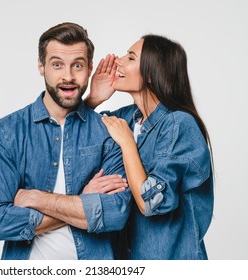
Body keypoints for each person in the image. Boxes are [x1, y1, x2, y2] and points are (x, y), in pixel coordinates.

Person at [0, 22, 132, 260]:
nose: (68, 76)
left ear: (90, 68)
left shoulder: (108, 132)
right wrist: (83, 202)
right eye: (57, 64)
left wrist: (35, 198)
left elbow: (115, 214)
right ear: (41, 66)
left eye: (78, 65)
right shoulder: (6, 132)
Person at [86, 34, 214, 259]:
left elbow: (151, 203)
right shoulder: (129, 118)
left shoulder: (178, 124)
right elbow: (77, 133)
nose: (119, 60)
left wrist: (127, 144)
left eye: (131, 58)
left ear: (152, 75)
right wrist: (93, 99)